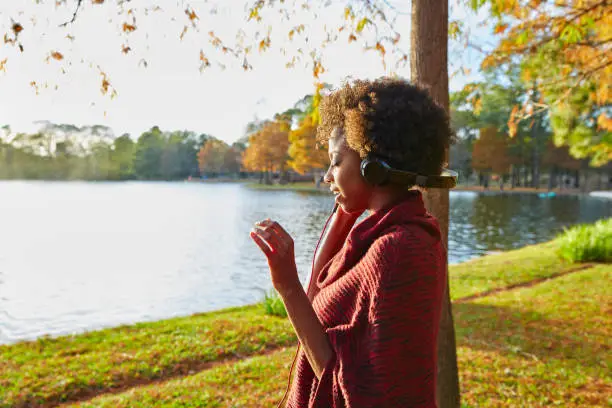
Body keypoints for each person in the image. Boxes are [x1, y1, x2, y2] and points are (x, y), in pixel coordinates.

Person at [250, 78, 453, 407]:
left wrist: (286, 285)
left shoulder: (398, 250)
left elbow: (348, 391)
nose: (327, 176)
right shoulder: (386, 234)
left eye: (336, 161)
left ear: (373, 167)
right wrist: (346, 213)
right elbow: (318, 304)